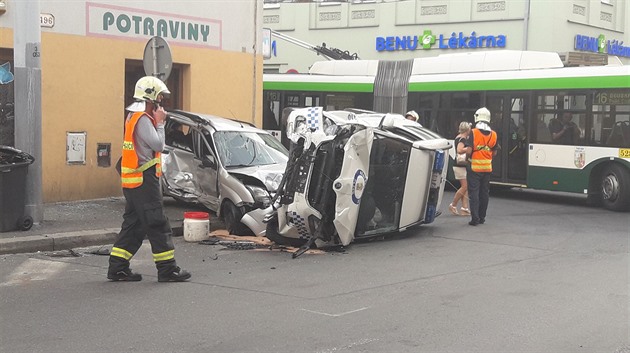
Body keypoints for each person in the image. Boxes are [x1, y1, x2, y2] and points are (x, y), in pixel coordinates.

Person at [108, 76, 191, 282]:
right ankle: (167, 270)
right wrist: (161, 124)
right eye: (159, 96)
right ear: (150, 96)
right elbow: (158, 145)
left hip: (135, 181)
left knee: (134, 226)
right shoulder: (143, 119)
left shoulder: (133, 116)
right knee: (157, 223)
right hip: (144, 181)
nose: (161, 100)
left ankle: (117, 267)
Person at [464, 107, 499, 226]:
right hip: (487, 168)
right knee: (484, 193)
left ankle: (475, 219)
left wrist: (468, 158)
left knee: (474, 193)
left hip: (474, 168)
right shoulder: (494, 134)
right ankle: (482, 217)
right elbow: (494, 152)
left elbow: (468, 150)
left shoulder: (473, 132)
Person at [449, 121, 472, 216]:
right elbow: (459, 150)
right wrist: (469, 148)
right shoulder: (462, 139)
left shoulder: (458, 137)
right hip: (460, 165)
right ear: (467, 130)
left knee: (465, 187)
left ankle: (464, 208)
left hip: (459, 165)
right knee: (465, 187)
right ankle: (453, 204)